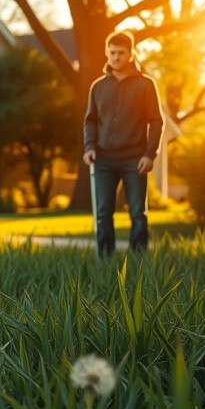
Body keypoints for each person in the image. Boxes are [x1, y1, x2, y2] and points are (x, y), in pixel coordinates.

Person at [82, 30, 164, 258]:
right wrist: (89, 147)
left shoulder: (146, 85)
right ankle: (105, 260)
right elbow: (90, 121)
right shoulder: (97, 87)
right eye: (112, 53)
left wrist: (150, 154)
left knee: (138, 214)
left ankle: (138, 260)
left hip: (135, 159)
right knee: (103, 213)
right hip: (103, 159)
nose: (115, 58)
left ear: (131, 54)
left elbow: (156, 121)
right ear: (106, 53)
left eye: (120, 53)